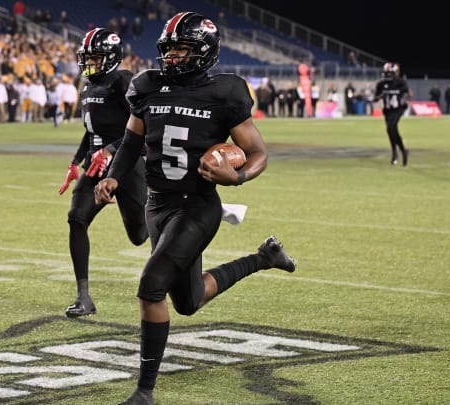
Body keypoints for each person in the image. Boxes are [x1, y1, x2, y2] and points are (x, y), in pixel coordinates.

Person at [93, 11, 297, 405]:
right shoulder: (146, 85)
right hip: (158, 204)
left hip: (197, 206)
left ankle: (144, 393)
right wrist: (114, 176)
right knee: (186, 302)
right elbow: (132, 142)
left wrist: (236, 179)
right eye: (168, 50)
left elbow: (257, 153)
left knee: (151, 289)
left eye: (182, 50)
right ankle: (263, 258)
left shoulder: (226, 92)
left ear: (204, 52)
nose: (172, 58)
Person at [58, 28, 149, 318]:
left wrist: (110, 150)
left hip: (127, 163)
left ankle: (190, 212)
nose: (90, 64)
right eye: (87, 58)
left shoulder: (123, 81)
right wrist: (75, 162)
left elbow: (143, 128)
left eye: (96, 58)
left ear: (111, 57)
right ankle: (84, 297)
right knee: (76, 218)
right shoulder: (88, 87)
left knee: (140, 235)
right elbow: (91, 132)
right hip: (96, 165)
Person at [373, 62, 411, 166]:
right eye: (386, 73)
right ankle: (402, 150)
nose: (388, 75)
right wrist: (378, 97)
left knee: (391, 128)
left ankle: (395, 153)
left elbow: (408, 93)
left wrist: (407, 96)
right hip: (388, 110)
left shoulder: (400, 82)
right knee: (392, 131)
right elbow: (375, 98)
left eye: (390, 73)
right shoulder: (381, 84)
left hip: (398, 109)